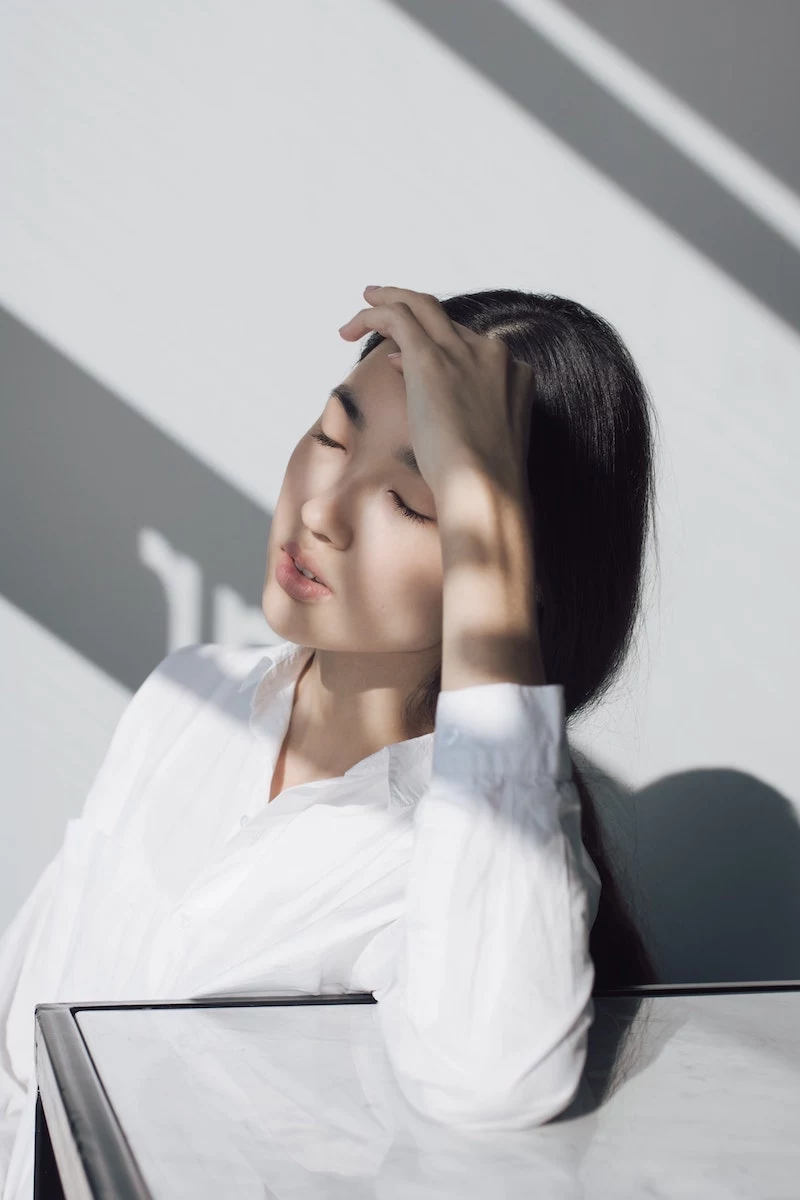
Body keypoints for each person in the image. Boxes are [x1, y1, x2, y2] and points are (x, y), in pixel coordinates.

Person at [0, 286, 659, 1196]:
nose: (323, 510)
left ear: (509, 570)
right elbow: (24, 1032)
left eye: (412, 501)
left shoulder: (458, 851)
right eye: (331, 437)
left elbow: (491, 1078)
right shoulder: (187, 699)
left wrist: (490, 526)